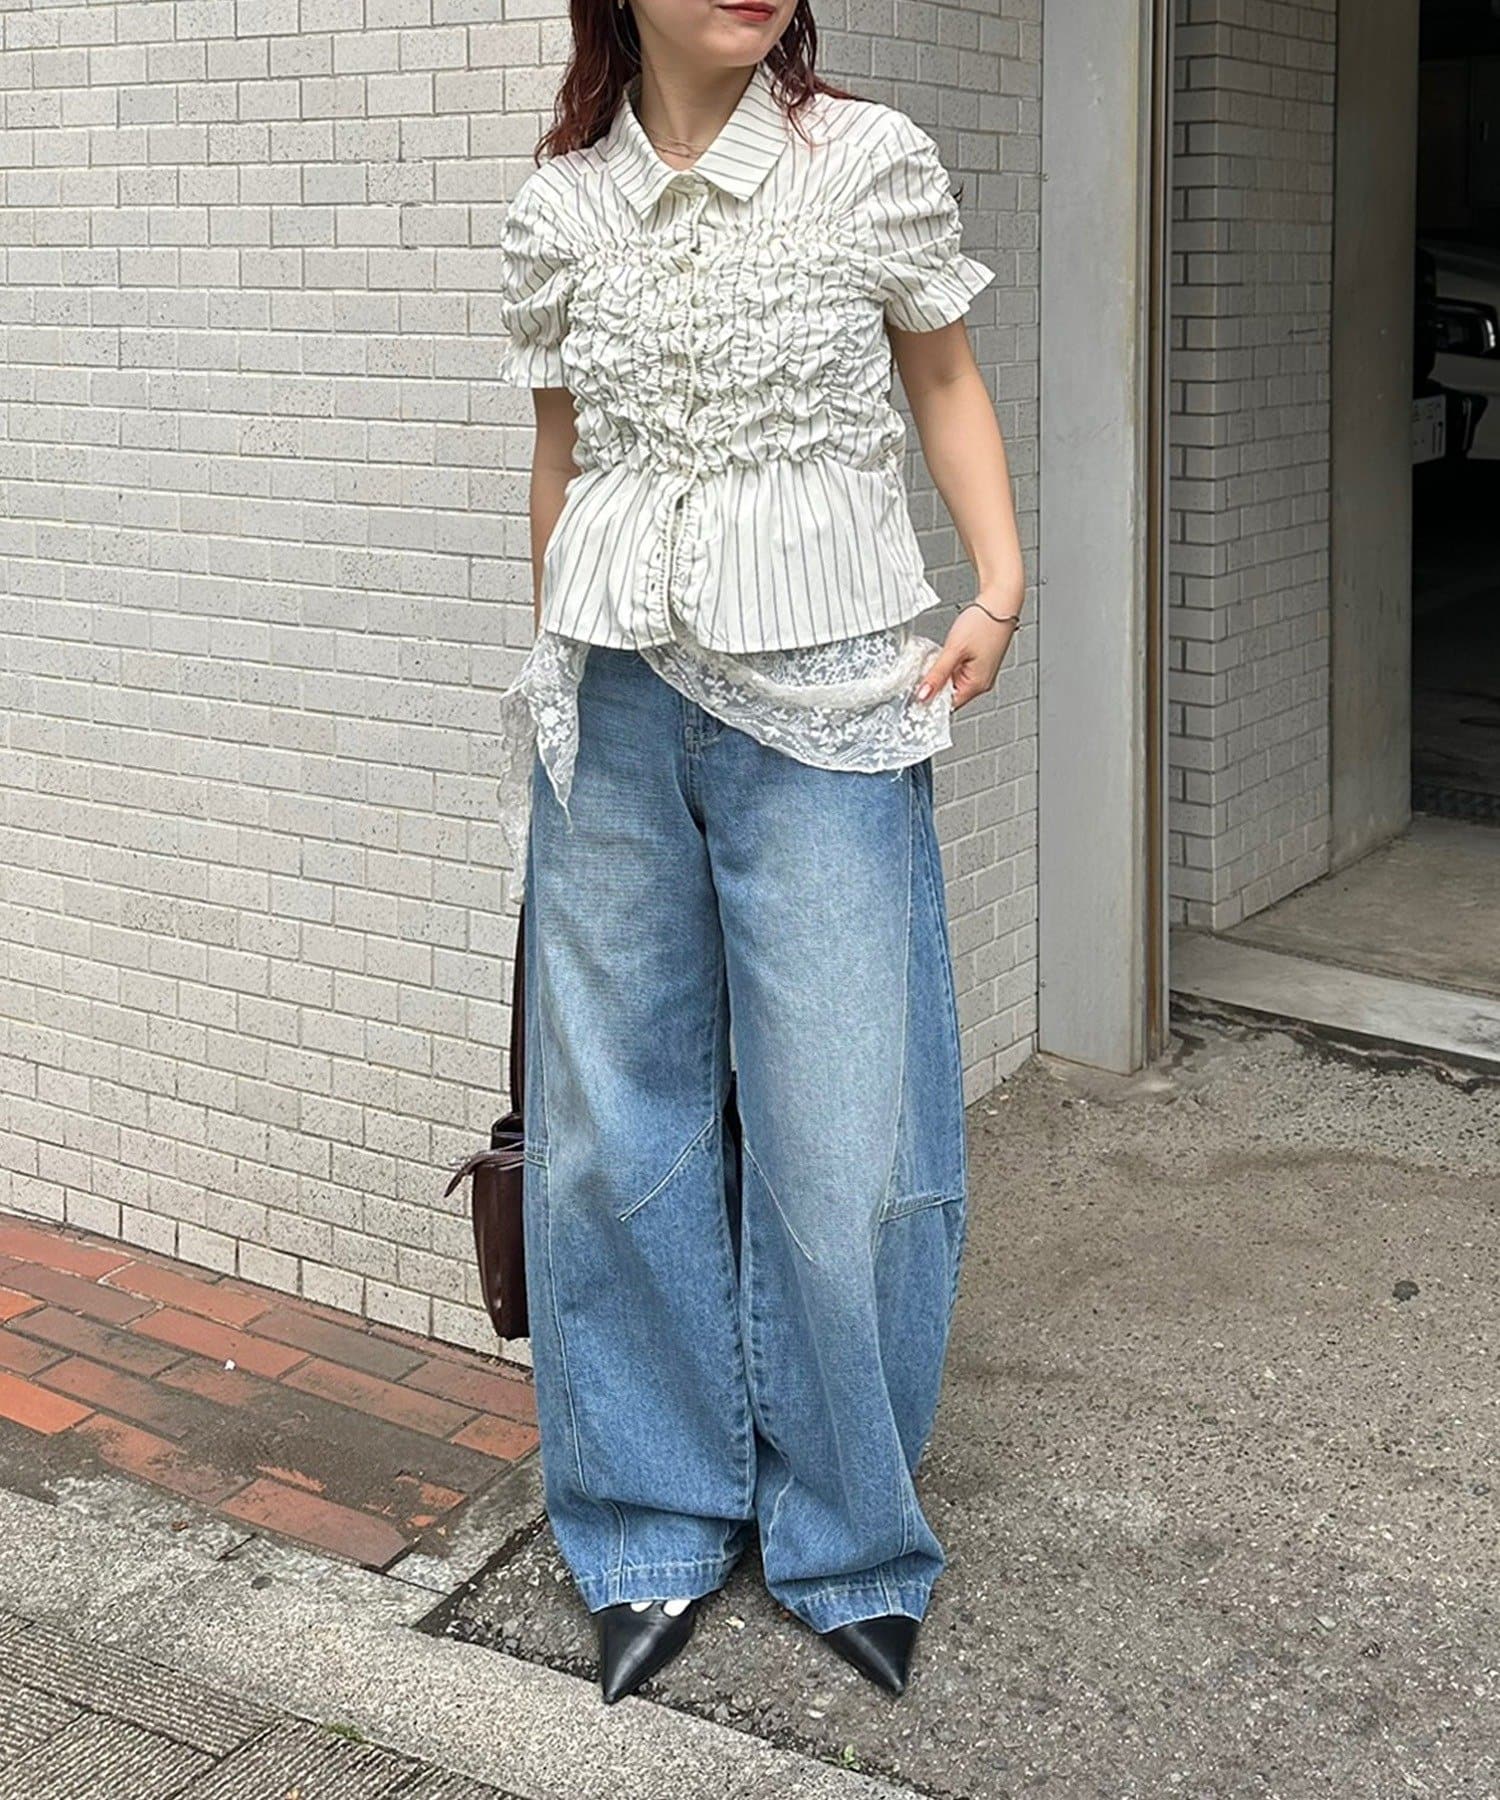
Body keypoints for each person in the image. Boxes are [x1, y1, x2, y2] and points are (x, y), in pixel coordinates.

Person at [495, 0, 1026, 1707]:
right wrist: (554, 661)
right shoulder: (564, 203)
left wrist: (998, 583)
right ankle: (649, 1517)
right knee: (611, 1129)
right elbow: (561, 454)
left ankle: (850, 1534)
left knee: (846, 1134)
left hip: (830, 699)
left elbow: (942, 371)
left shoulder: (866, 160)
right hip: (616, 702)